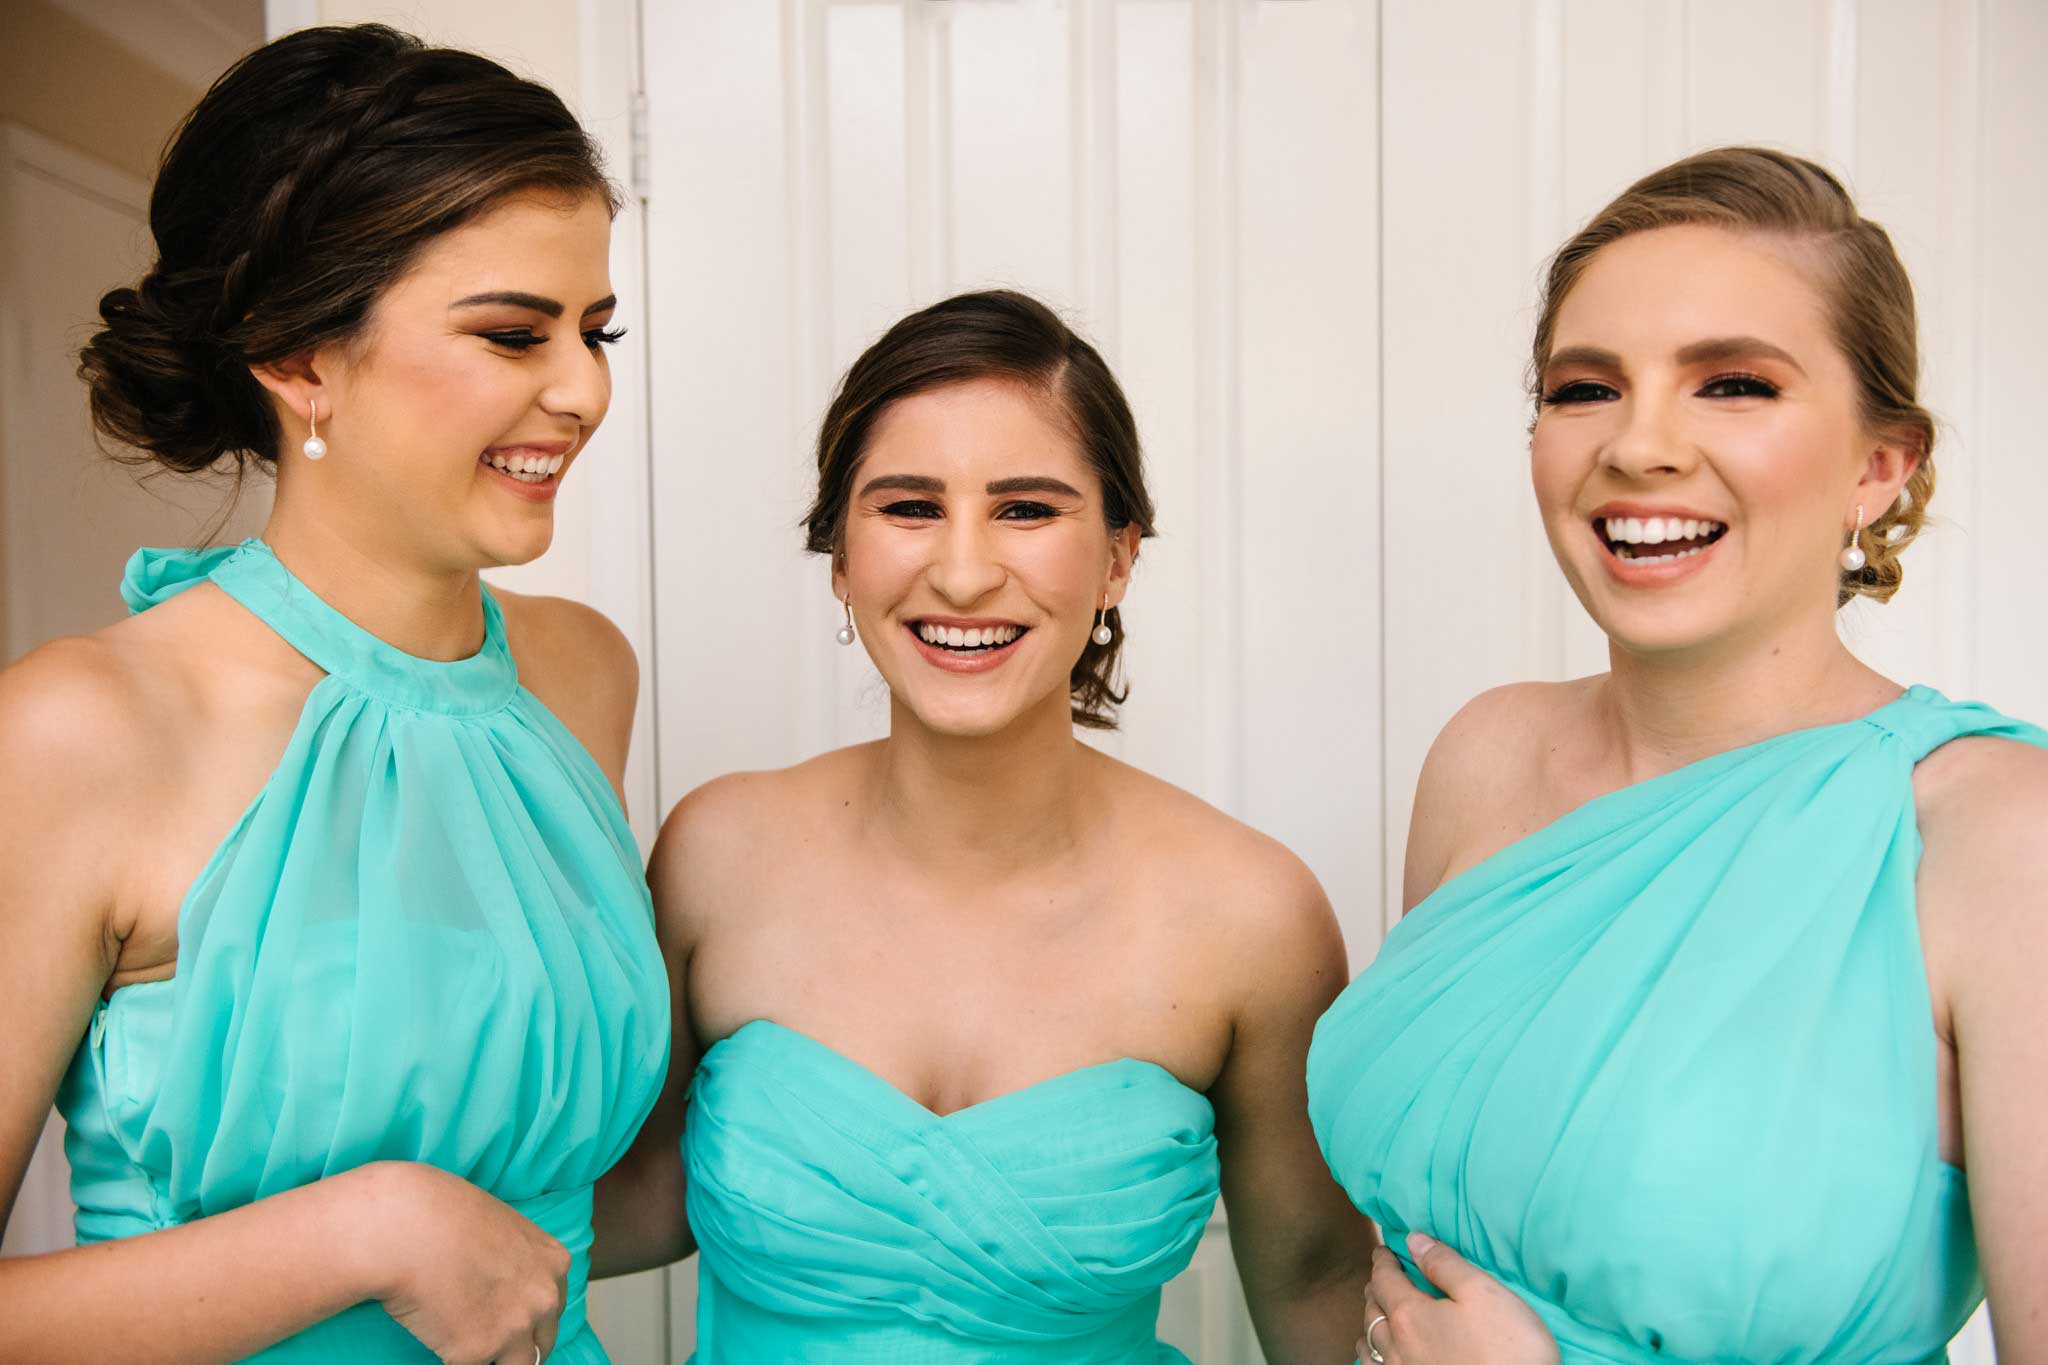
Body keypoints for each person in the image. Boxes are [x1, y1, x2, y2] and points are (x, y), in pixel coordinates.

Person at [1308, 147, 2048, 1365]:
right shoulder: (1484, 754)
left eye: (1734, 386)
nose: (1637, 446)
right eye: (1583, 388)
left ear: (1880, 465)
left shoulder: (1998, 840)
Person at [0, 25, 667, 1363]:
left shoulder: (583, 673)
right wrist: (359, 1235)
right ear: (299, 357)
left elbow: (606, 1189)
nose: (584, 389)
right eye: (511, 333)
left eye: (595, 330)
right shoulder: (79, 729)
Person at [592, 289, 1374, 1362]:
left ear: (1115, 557)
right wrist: (360, 1237)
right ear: (839, 557)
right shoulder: (716, 852)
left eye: (1025, 509)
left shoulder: (1251, 916)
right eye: (908, 507)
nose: (960, 572)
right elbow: (641, 1196)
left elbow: (1315, 1282)